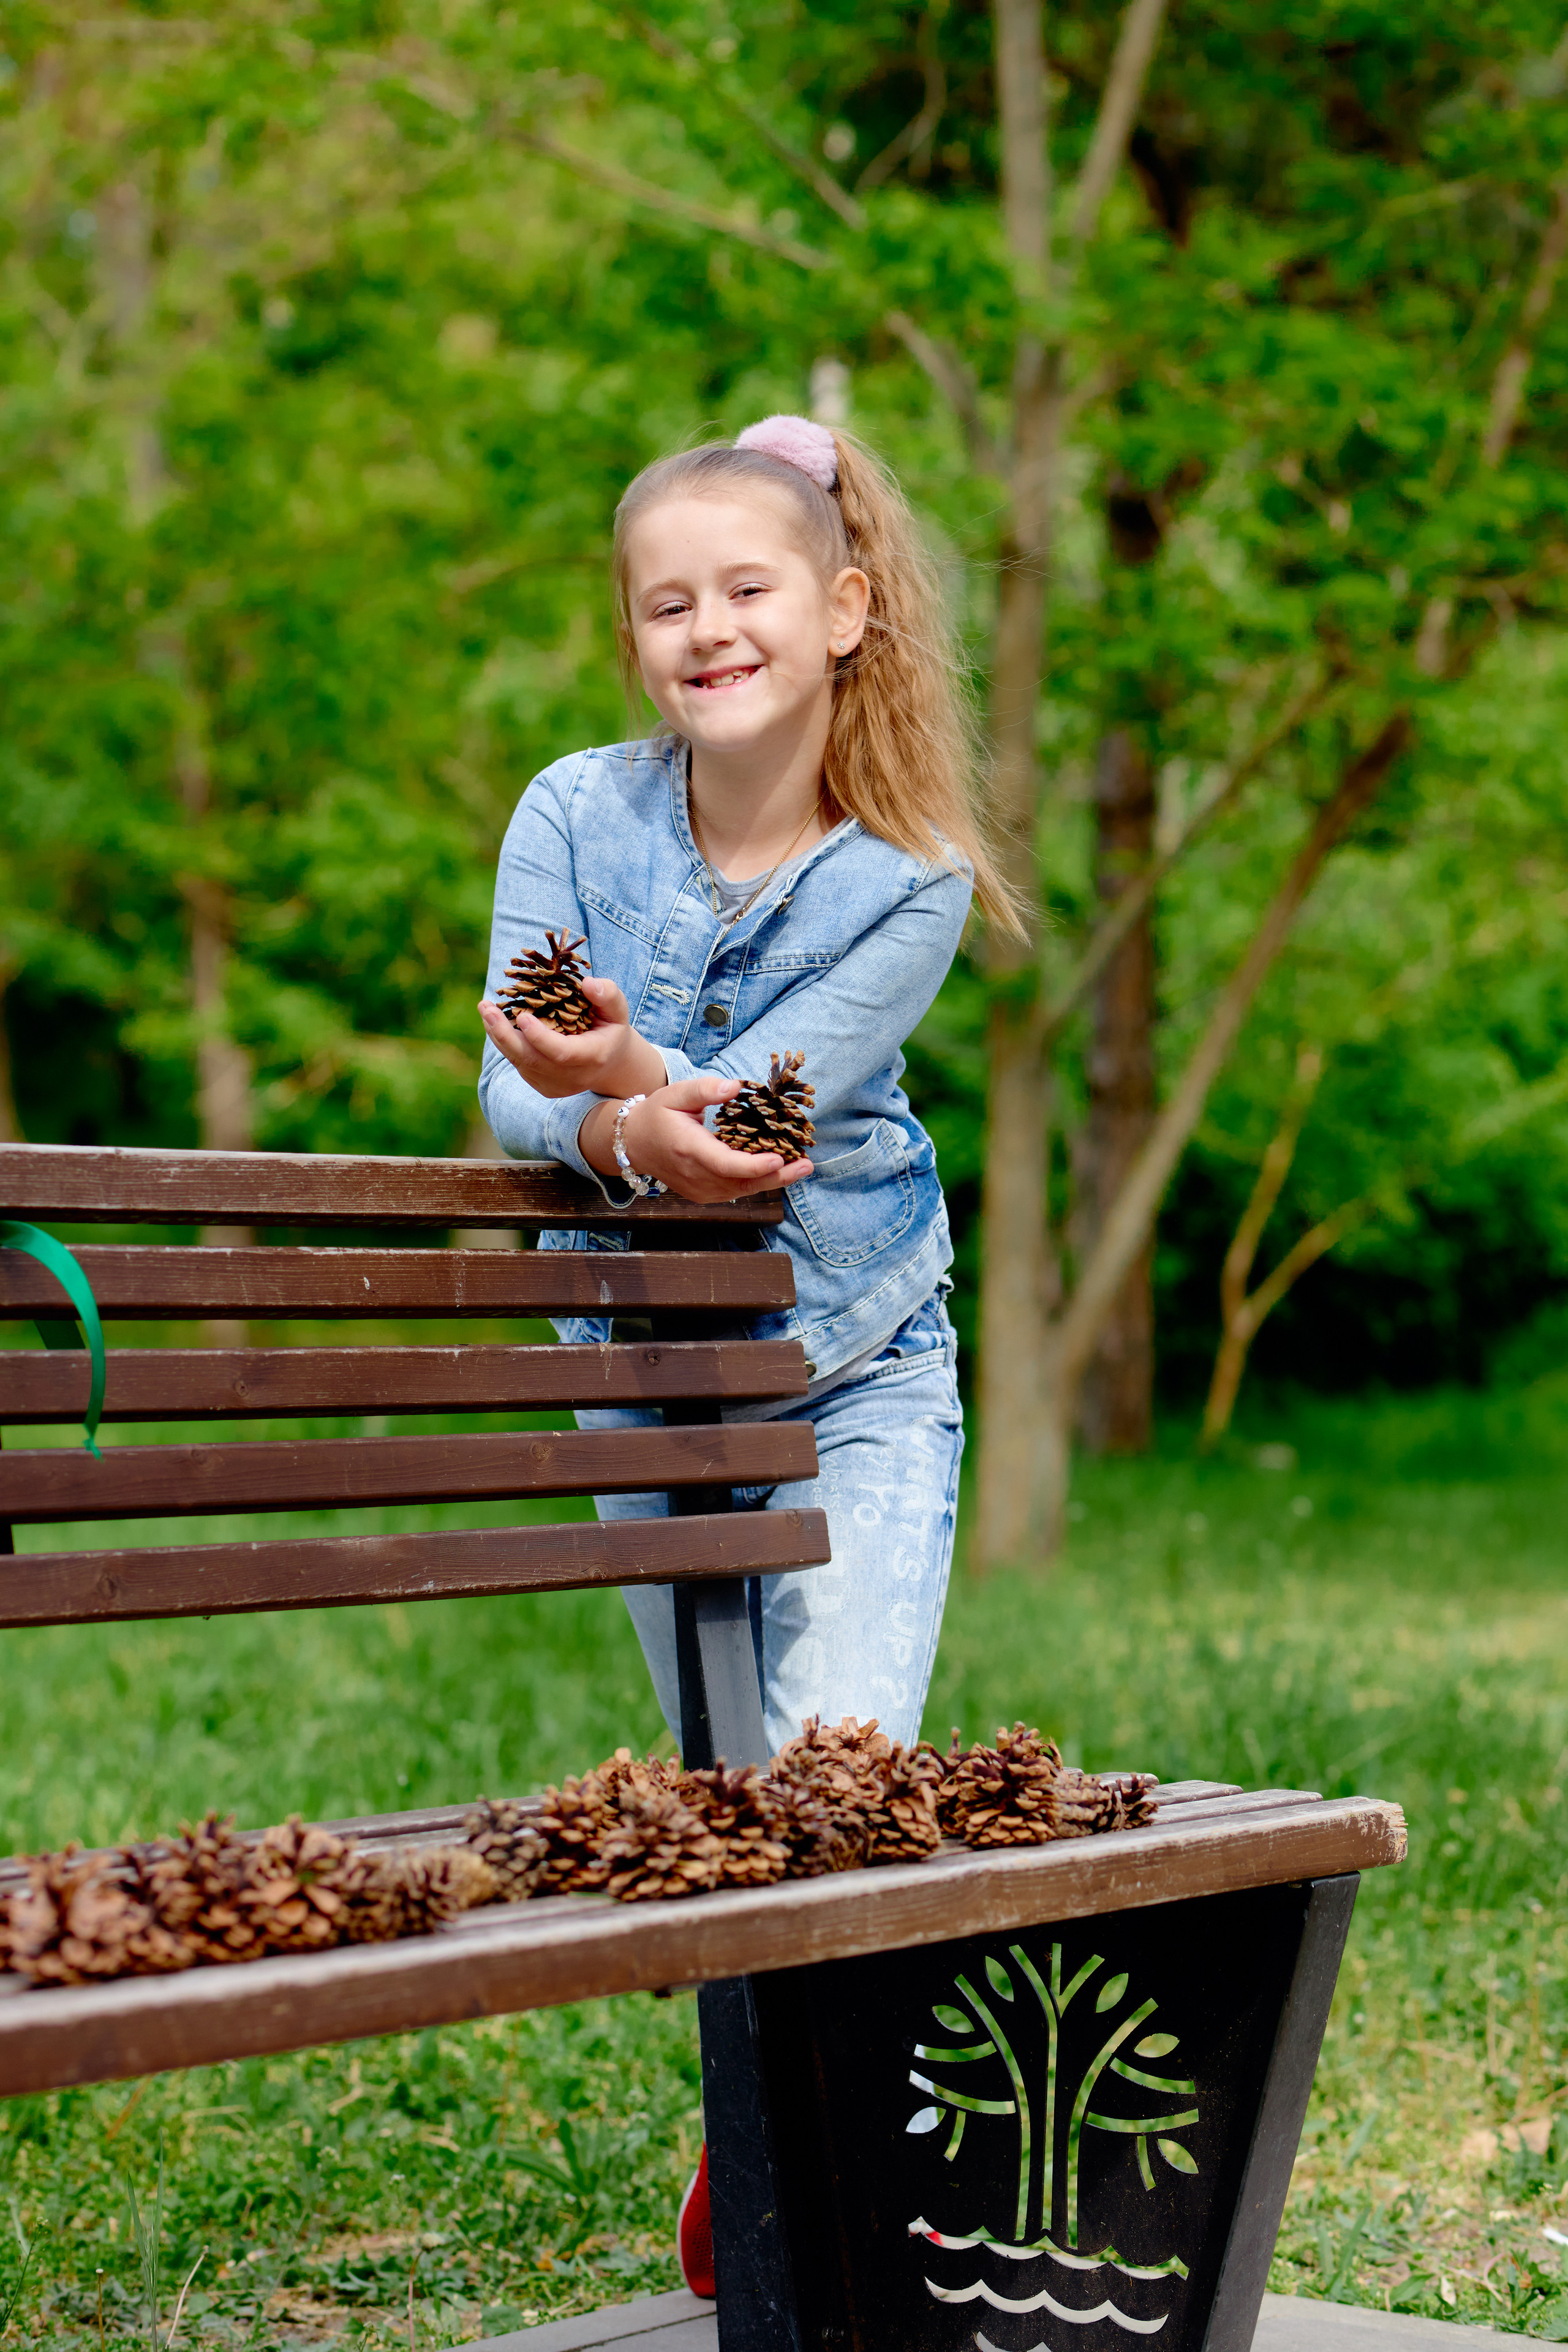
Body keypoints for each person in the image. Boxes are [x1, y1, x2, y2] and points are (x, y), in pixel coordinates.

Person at [475, 413, 1020, 2293]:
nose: (704, 628)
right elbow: (507, 1078)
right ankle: (818, 2144)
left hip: (856, 1363)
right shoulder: (571, 812)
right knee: (734, 1795)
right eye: (664, 603)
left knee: (837, 1769)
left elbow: (770, 1114)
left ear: (847, 608)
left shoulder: (909, 877)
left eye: (747, 591)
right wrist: (609, 1114)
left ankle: (834, 2158)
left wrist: (623, 1081)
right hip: (644, 1368)